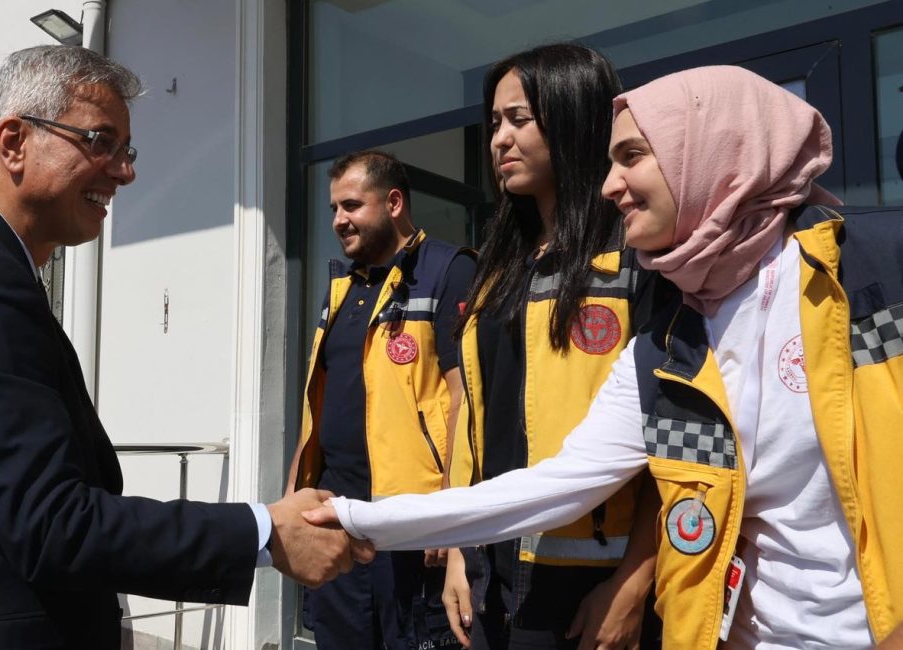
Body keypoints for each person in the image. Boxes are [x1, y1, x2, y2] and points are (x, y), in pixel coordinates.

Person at [308, 65, 903, 648]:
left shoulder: (873, 273)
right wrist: (360, 520)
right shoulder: (674, 338)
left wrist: (630, 582)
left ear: (709, 151)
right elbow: (560, 483)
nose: (609, 184)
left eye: (633, 157)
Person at [0, 45, 366, 650]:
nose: (124, 171)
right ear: (14, 143)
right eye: (100, 141)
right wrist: (263, 531)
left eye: (127, 150)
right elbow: (50, 525)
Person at [439, 43, 665, 650]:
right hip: (491, 575)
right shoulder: (496, 269)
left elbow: (677, 442)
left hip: (589, 586)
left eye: (519, 119)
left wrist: (633, 584)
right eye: (494, 124)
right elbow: (472, 421)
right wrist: (460, 545)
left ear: (572, 119)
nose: (498, 140)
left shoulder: (637, 263)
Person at [286, 149, 475, 649]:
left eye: (350, 206)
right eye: (333, 209)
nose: (338, 221)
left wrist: (451, 515)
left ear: (393, 202)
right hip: (338, 522)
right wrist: (294, 500)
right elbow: (316, 408)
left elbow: (466, 400)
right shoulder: (341, 288)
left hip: (409, 530)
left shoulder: (448, 271)